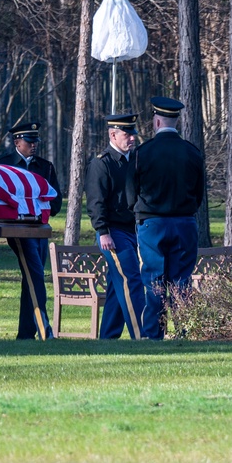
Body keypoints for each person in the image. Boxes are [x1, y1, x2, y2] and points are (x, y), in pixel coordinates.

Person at [126, 97, 205, 340]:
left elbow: (131, 191)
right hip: (184, 222)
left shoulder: (142, 153)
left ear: (157, 121)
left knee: (154, 280)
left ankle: (153, 333)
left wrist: (138, 211)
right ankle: (184, 330)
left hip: (152, 223)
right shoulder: (192, 152)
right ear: (175, 121)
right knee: (181, 280)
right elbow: (199, 192)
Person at [0, 122, 62, 340]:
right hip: (17, 229)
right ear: (17, 142)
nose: (34, 146)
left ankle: (25, 333)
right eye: (29, 141)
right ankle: (44, 328)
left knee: (32, 277)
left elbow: (56, 201)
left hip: (40, 229)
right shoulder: (5, 165)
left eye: (36, 141)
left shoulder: (45, 166)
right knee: (35, 274)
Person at [85, 113, 144, 340]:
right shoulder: (102, 163)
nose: (132, 139)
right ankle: (142, 334)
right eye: (127, 135)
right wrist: (102, 231)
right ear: (113, 134)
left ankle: (108, 337)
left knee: (116, 284)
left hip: (132, 230)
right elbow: (95, 201)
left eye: (133, 135)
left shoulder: (134, 160)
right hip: (113, 233)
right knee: (131, 279)